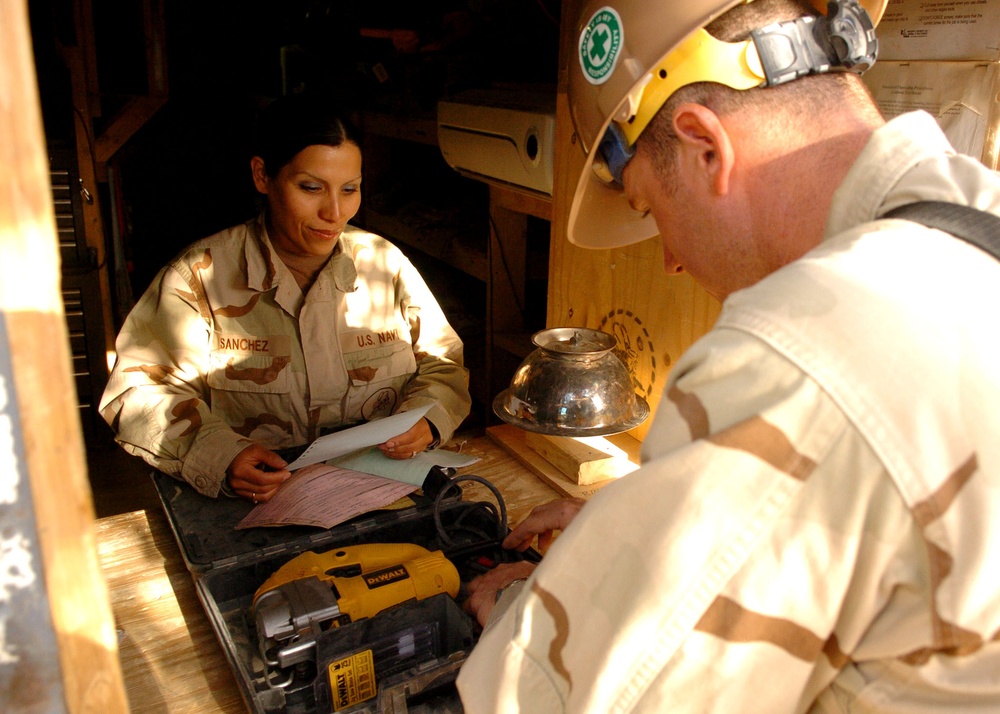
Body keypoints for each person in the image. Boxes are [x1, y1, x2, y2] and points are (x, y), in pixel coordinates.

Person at [457, 0, 1000, 710]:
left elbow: (590, 698)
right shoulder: (973, 223)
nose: (673, 263)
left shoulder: (799, 349)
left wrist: (517, 618)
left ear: (704, 144)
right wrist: (647, 519)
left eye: (652, 212)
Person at [99, 93, 471, 503]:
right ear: (262, 176)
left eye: (350, 189)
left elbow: (443, 364)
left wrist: (428, 420)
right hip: (257, 506)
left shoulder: (384, 266)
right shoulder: (200, 278)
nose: (335, 212)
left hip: (383, 492)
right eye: (310, 187)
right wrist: (223, 456)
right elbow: (137, 391)